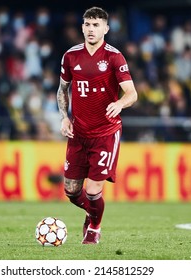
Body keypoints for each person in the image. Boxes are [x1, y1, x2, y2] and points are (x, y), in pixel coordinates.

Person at [56, 6, 138, 244]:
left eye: (96, 25)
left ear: (106, 29)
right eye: (88, 25)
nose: (91, 29)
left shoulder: (114, 57)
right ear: (82, 27)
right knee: (71, 191)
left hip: (105, 132)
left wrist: (120, 104)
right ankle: (92, 212)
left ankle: (94, 227)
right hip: (78, 133)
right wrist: (64, 116)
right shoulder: (70, 56)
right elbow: (63, 90)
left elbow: (132, 93)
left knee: (92, 190)